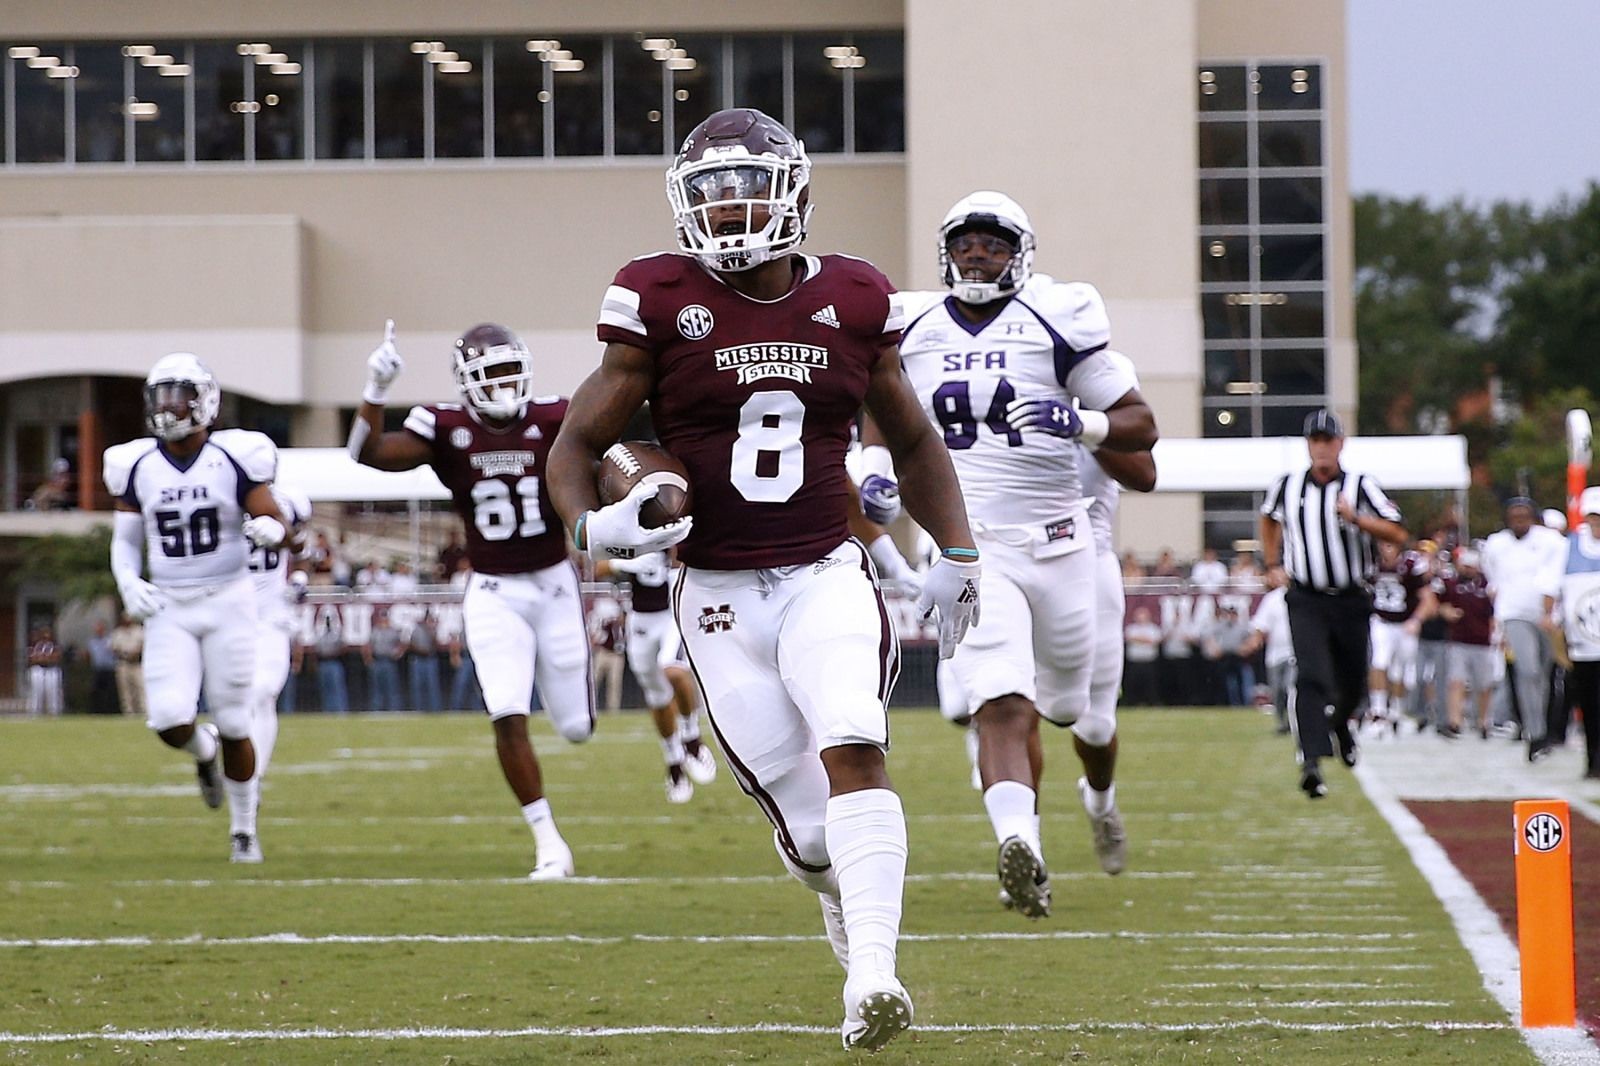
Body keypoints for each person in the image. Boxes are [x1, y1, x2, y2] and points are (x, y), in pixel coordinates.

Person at [547, 108, 981, 1052]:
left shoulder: (857, 297)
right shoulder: (657, 297)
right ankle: (845, 912)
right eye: (710, 191)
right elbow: (580, 440)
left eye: (746, 186)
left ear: (792, 192)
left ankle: (874, 975)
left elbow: (912, 437)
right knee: (813, 839)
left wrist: (956, 552)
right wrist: (598, 520)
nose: (730, 208)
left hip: (826, 568)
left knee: (857, 741)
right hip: (713, 596)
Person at [861, 191, 1158, 913]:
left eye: (993, 244)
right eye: (966, 242)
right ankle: (1017, 841)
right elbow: (879, 414)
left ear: (1019, 254)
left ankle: (1098, 800)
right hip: (974, 549)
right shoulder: (914, 324)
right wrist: (870, 470)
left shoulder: (1060, 318)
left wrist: (1081, 422)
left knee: (1074, 714)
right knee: (1001, 702)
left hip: (1065, 550)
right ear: (945, 251)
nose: (977, 254)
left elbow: (1141, 441)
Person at [350, 320, 590, 881]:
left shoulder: (556, 416)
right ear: (466, 383)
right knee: (507, 712)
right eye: (492, 374)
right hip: (493, 589)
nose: (505, 384)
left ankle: (566, 707)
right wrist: (375, 389)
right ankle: (549, 842)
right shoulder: (445, 427)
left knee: (576, 727)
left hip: (554, 582)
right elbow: (366, 455)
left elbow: (612, 454)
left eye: (510, 370)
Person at [102, 352, 291, 862]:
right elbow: (125, 540)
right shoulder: (135, 463)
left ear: (204, 399)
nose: (168, 407)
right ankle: (203, 753)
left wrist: (272, 529)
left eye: (178, 395)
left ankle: (244, 829)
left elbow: (275, 519)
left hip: (229, 600)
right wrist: (126, 581)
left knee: (235, 720)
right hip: (170, 605)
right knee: (166, 719)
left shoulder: (236, 456)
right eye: (160, 396)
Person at [1260, 409, 1407, 799]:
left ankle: (1341, 726)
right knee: (1311, 676)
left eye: (1328, 440)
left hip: (1351, 597)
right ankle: (1311, 762)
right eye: (1315, 441)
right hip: (1306, 596)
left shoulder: (1361, 485)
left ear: (1341, 444)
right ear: (1308, 446)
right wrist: (1272, 563)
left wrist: (1356, 519)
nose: (1322, 448)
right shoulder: (1287, 486)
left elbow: (1397, 530)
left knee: (1353, 681)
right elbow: (1269, 518)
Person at [601, 551, 717, 802]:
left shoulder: (673, 521)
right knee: (656, 695)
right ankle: (674, 760)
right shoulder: (625, 525)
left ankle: (691, 737)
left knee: (673, 670)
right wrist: (623, 562)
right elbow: (596, 566)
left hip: (672, 615)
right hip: (640, 621)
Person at [1482, 497, 1567, 761]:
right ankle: (1535, 732)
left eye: (1524, 516)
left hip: (1546, 615)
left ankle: (1541, 726)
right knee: (1526, 670)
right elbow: (1492, 575)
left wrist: (1550, 608)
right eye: (1514, 517)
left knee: (1543, 674)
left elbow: (1555, 575)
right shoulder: (1497, 544)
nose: (1519, 522)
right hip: (1514, 612)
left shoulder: (1551, 542)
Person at [246, 485, 312, 780]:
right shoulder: (223, 495)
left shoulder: (290, 499)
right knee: (237, 698)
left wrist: (298, 577)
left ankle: (253, 778)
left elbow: (302, 548)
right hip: (229, 611)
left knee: (265, 691)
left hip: (272, 613)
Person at [1366, 538, 1431, 736]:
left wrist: (1417, 620)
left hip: (1404, 623)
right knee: (1379, 662)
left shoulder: (1411, 565)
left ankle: (1396, 710)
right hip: (1381, 621)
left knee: (1399, 670)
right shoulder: (1370, 562)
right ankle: (1378, 710)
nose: (1386, 551)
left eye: (1390, 546)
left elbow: (1427, 598)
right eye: (1383, 545)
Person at [1434, 548, 1497, 739]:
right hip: (1458, 640)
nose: (1467, 570)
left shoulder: (1486, 585)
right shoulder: (1452, 583)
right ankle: (1455, 722)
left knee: (1484, 684)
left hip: (1482, 641)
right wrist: (1445, 611)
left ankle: (1484, 721)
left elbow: (1495, 610)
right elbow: (1437, 602)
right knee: (1456, 681)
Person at [1560, 487, 1600, 779]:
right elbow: (1552, 589)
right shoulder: (1569, 547)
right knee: (1588, 703)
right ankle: (1592, 760)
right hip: (1582, 644)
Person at [1242, 567, 1295, 734]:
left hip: (1295, 652)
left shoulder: (1299, 597)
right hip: (1275, 653)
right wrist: (1254, 641)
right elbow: (1261, 624)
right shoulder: (1272, 599)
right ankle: (1282, 721)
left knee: (1290, 686)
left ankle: (1295, 721)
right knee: (1277, 690)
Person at [363, 607, 405, 712]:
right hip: (378, 660)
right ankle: (376, 710)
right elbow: (368, 645)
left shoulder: (393, 631)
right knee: (377, 688)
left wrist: (398, 654)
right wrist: (368, 659)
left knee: (392, 687)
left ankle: (394, 709)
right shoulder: (375, 631)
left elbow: (402, 643)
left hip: (389, 661)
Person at [1121, 606, 1163, 707]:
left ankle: (1152, 702)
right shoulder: (1131, 628)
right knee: (1132, 684)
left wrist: (1138, 639)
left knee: (1151, 685)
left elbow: (1154, 640)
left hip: (1149, 661)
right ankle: (1130, 702)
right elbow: (1129, 638)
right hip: (1134, 661)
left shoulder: (1154, 628)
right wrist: (1144, 640)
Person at [406, 611, 444, 713]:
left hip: (430, 659)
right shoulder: (416, 630)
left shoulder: (433, 630)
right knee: (417, 688)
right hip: (418, 659)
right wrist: (421, 650)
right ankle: (418, 710)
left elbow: (436, 644)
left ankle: (435, 710)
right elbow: (411, 644)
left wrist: (432, 630)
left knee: (433, 687)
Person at [110, 614, 146, 717]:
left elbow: (143, 645)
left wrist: (135, 654)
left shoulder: (139, 631)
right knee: (125, 690)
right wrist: (124, 655)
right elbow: (114, 648)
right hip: (123, 664)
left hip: (137, 664)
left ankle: (143, 711)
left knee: (140, 688)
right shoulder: (118, 633)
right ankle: (129, 713)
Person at [312, 613, 349, 714]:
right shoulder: (321, 636)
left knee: (337, 687)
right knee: (326, 688)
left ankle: (340, 710)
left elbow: (344, 647)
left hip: (334, 662)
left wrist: (335, 653)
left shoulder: (336, 635)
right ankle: (328, 710)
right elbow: (316, 650)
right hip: (324, 662)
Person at [26, 625, 64, 716]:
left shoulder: (54, 645)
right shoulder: (36, 645)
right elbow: (32, 658)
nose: (46, 635)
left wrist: (44, 658)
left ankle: (54, 712)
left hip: (51, 670)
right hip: (39, 669)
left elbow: (56, 657)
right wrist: (43, 658)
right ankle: (35, 712)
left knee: (53, 693)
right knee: (36, 692)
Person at [83, 620, 118, 714]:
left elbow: (115, 652)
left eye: (100, 629)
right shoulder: (92, 642)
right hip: (97, 669)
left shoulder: (109, 640)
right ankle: (97, 711)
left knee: (110, 692)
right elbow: (88, 655)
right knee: (96, 692)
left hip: (109, 669)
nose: (98, 631)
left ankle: (110, 711)